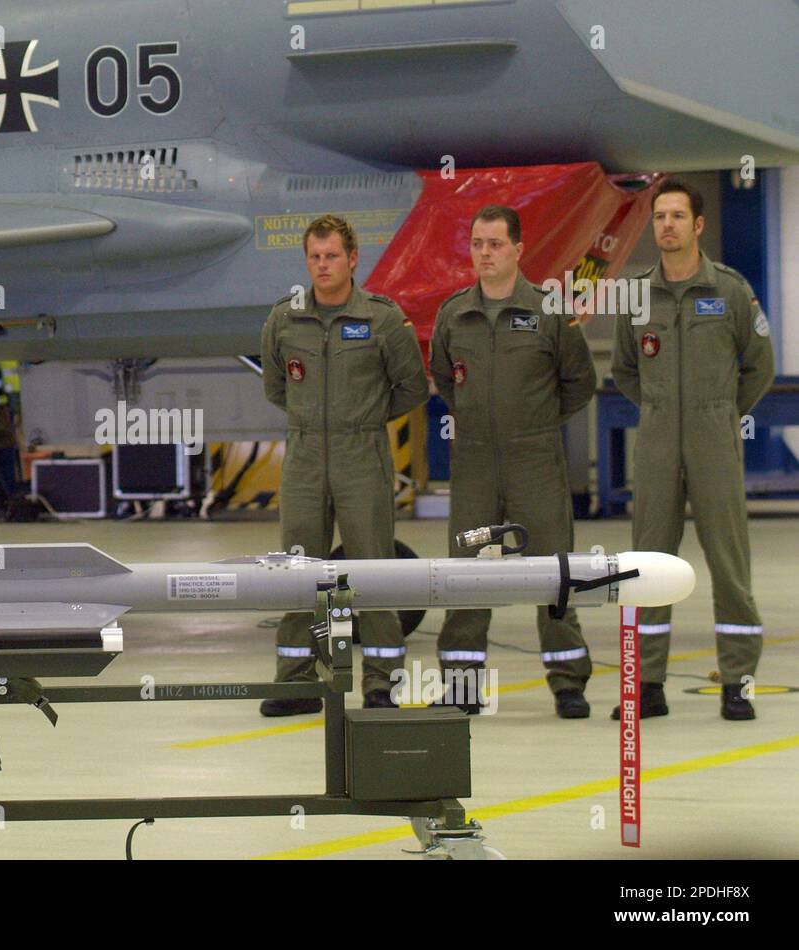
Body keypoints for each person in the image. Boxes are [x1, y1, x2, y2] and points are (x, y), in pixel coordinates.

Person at [610, 179, 775, 721]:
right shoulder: (638, 295)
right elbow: (625, 370)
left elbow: (759, 364)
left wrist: (722, 410)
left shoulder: (728, 289)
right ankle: (646, 684)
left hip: (713, 435)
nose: (667, 225)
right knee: (647, 564)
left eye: (678, 216)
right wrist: (659, 408)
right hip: (656, 438)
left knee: (729, 562)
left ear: (698, 225)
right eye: (659, 216)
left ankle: (737, 681)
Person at [428, 205, 597, 718]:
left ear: (519, 250)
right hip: (476, 461)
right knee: (466, 572)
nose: (485, 253)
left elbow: (579, 383)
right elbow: (443, 378)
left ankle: (569, 682)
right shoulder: (454, 313)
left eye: (495, 244)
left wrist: (535, 423)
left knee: (554, 570)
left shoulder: (549, 311)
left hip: (535, 460)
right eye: (477, 243)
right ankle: (461, 684)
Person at [259, 214, 429, 715]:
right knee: (297, 569)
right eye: (314, 256)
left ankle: (381, 682)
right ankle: (296, 682)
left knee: (372, 569)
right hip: (306, 455)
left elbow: (412, 387)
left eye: (332, 256)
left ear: (353, 259)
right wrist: (313, 420)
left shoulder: (381, 318)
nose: (323, 265)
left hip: (362, 455)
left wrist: (367, 418)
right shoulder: (284, 319)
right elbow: (276, 386)